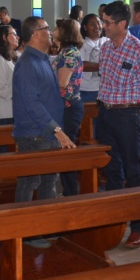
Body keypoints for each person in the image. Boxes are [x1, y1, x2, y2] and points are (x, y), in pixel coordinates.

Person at [97, 1, 140, 249]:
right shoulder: (107, 48)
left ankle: (139, 227)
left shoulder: (138, 50)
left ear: (122, 24)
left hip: (128, 115)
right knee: (112, 170)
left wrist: (137, 116)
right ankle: (114, 222)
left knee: (134, 171)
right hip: (106, 113)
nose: (104, 27)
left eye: (107, 23)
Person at [12, 16, 76, 214]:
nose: (50, 32)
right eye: (47, 28)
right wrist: (57, 130)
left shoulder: (42, 59)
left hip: (47, 132)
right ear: (35, 34)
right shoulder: (27, 64)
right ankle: (24, 233)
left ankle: (46, 226)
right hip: (35, 134)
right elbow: (32, 104)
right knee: (30, 182)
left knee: (49, 181)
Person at [53, 17, 84, 196]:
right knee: (64, 147)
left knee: (67, 148)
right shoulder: (65, 51)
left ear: (64, 32)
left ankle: (71, 193)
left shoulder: (70, 53)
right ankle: (67, 190)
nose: (54, 32)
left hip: (69, 106)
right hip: (65, 105)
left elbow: (62, 82)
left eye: (57, 29)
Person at [0, 24, 18, 126]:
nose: (17, 37)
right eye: (14, 34)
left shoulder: (7, 58)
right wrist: (20, 92)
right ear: (4, 37)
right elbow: (0, 87)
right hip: (3, 114)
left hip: (10, 111)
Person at [78, 12, 107, 108]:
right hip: (87, 90)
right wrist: (105, 66)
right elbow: (82, 65)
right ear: (85, 27)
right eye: (92, 24)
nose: (97, 26)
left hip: (104, 89)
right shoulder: (82, 44)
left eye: (98, 23)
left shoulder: (106, 41)